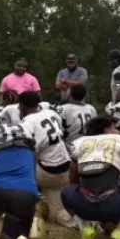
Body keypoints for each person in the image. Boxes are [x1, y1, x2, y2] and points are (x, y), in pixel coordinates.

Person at [20, 92, 74, 229]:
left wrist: (29, 181)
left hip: (46, 173)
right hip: (65, 169)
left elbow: (29, 154)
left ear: (21, 106)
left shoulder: (26, 123)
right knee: (57, 214)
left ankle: (19, 207)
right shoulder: (51, 113)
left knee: (15, 170)